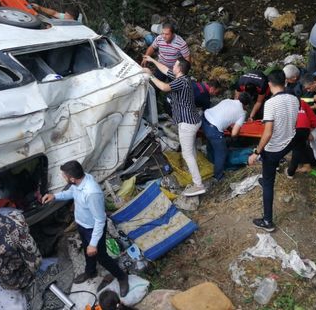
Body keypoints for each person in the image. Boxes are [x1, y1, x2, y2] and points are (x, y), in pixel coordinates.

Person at [42, 161, 129, 297]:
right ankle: (90, 271)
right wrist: (55, 196)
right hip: (82, 225)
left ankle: (122, 277)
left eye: (64, 176)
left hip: (93, 228)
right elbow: (71, 192)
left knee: (102, 257)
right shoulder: (79, 181)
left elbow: (100, 220)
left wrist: (93, 243)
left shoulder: (92, 193)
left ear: (72, 178)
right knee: (88, 252)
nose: (62, 177)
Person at [141, 56, 204, 197]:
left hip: (187, 123)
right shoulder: (182, 78)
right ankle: (195, 175)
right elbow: (165, 70)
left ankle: (198, 185)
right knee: (191, 151)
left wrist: (150, 76)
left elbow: (164, 87)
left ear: (180, 68)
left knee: (187, 153)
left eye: (175, 65)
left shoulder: (180, 82)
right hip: (192, 120)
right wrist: (152, 60)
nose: (173, 66)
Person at [247, 70, 299, 232]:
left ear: (269, 85)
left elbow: (268, 133)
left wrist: (256, 152)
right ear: (285, 82)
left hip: (274, 148)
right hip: (288, 142)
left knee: (268, 183)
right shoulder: (294, 98)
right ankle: (268, 173)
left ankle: (267, 221)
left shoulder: (270, 103)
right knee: (270, 168)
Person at [202, 92, 253, 181]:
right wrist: (235, 134)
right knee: (221, 153)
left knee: (211, 143)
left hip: (205, 119)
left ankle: (210, 161)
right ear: (247, 105)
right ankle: (218, 177)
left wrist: (229, 129)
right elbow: (234, 134)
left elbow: (222, 115)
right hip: (214, 129)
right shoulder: (242, 113)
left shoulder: (227, 100)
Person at [285, 99, 316, 178]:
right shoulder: (302, 102)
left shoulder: (281, 102)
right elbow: (314, 120)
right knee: (299, 148)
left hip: (293, 127)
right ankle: (291, 171)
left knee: (289, 148)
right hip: (304, 128)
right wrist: (310, 129)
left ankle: (289, 172)